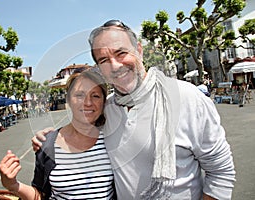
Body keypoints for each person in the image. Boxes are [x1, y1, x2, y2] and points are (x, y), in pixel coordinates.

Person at [32, 20, 235, 199]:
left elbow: (221, 172)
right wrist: (50, 138)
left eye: (121, 53)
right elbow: (81, 131)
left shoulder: (187, 97)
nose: (115, 65)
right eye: (103, 60)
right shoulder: (108, 108)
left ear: (139, 49)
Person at [0, 68, 116, 199]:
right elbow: (40, 195)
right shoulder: (48, 144)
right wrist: (13, 185)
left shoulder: (112, 139)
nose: (88, 103)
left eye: (95, 96)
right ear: (69, 99)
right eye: (79, 95)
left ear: (103, 102)